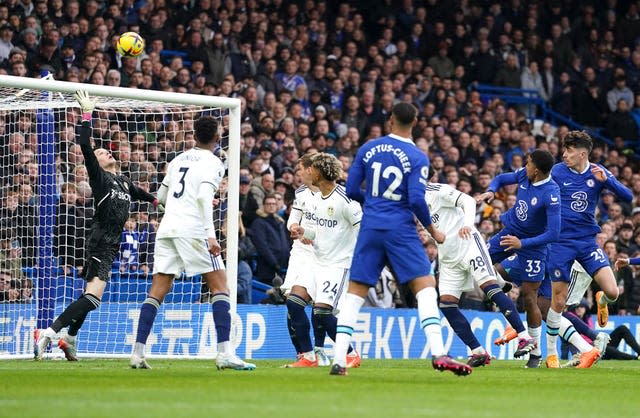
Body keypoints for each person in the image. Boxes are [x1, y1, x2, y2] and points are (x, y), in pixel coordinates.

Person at [332, 102, 471, 376]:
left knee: (355, 292)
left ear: (390, 120)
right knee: (426, 286)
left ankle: (338, 360)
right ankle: (438, 353)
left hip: (370, 226)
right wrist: (433, 230)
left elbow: (349, 189)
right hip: (400, 229)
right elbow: (417, 199)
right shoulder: (418, 157)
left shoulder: (368, 148)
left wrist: (372, 202)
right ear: (415, 122)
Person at [35, 91, 159, 361]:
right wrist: (87, 114)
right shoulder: (100, 178)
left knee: (88, 298)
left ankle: (70, 337)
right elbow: (84, 144)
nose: (104, 152)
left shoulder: (124, 182)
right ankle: (52, 331)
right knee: (93, 298)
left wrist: (159, 201)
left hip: (111, 245)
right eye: (101, 152)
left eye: (106, 150)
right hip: (100, 240)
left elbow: (145, 195)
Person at [130, 115, 255, 371]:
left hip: (167, 229)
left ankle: (138, 353)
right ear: (218, 138)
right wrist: (210, 233)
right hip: (194, 229)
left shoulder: (177, 159)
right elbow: (202, 196)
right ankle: (224, 353)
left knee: (157, 291)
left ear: (194, 136)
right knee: (221, 286)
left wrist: (182, 204)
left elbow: (162, 196)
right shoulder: (215, 162)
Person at [425, 176, 535, 368]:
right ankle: (478, 351)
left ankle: (524, 337)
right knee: (447, 306)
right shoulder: (411, 201)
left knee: (489, 288)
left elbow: (467, 200)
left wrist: (468, 224)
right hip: (448, 258)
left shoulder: (436, 190)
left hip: (468, 246)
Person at [545, 131, 632, 368]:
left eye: (569, 151)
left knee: (613, 292)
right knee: (559, 302)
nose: (564, 154)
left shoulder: (597, 172)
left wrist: (608, 181)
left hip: (587, 243)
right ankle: (551, 354)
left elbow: (629, 196)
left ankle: (601, 299)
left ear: (582, 153)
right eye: (564, 150)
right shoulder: (557, 171)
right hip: (561, 244)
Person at [477, 150, 561, 368]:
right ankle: (503, 285)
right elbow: (501, 179)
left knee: (528, 297)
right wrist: (491, 191)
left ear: (538, 171)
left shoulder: (551, 194)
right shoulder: (526, 174)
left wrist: (522, 244)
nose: (525, 166)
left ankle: (535, 353)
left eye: (529, 163)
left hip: (534, 247)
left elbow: (554, 233)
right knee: (479, 260)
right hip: (509, 233)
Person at [286, 153, 362, 368]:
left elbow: (363, 233)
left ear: (319, 173)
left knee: (321, 311)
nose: (307, 171)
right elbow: (319, 232)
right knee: (294, 302)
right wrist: (303, 232)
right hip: (315, 261)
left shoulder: (347, 201)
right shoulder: (317, 198)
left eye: (311, 169)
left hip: (337, 265)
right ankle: (308, 357)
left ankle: (350, 352)